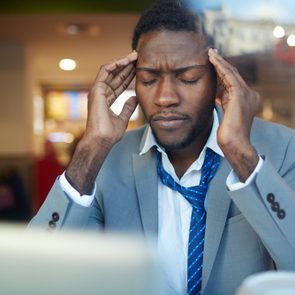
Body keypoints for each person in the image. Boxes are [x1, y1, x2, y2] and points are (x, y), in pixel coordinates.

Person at [29, 1, 295, 294]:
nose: (165, 97)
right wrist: (92, 148)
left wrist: (242, 155)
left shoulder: (281, 149)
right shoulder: (105, 162)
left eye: (188, 78)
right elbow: (34, 276)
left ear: (220, 80)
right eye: (149, 78)